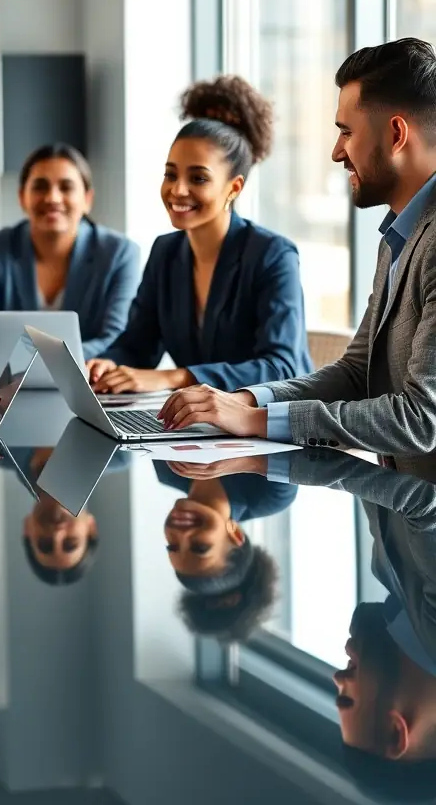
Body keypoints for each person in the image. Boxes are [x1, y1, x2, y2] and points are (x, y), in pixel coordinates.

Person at [158, 39, 436, 480]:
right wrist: (246, 402)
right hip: (401, 520)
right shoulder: (397, 236)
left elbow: (421, 420)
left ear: (397, 134)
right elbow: (354, 372)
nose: (336, 151)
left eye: (347, 131)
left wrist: (254, 421)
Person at [88, 76, 312, 395]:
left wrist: (176, 377)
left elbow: (281, 367)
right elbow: (139, 345)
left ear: (234, 188)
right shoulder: (166, 252)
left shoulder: (272, 254)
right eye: (170, 174)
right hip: (203, 427)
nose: (178, 190)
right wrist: (108, 364)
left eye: (198, 178)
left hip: (270, 425)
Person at [0, 143, 140, 359]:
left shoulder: (119, 253)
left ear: (87, 199)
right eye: (40, 186)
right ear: (22, 197)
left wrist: (45, 362)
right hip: (8, 385)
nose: (52, 197)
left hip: (90, 383)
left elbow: (118, 339)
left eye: (66, 187)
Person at [157, 463, 288, 642]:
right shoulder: (269, 495)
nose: (182, 535)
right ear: (235, 535)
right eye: (200, 547)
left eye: (172, 546)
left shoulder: (167, 471)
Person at [19, 447, 99, 585]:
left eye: (45, 543)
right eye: (71, 542)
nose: (57, 533)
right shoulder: (122, 451)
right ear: (91, 527)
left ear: (27, 529)